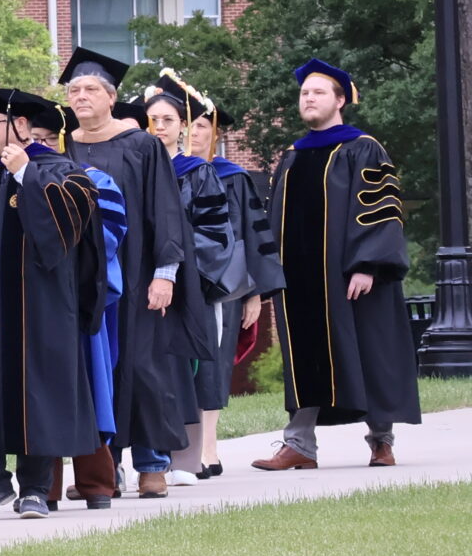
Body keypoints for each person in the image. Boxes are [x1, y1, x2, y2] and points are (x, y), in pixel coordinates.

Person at [0, 91, 110, 518]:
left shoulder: (63, 173)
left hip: (39, 307)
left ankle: (35, 488)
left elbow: (65, 238)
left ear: (19, 127)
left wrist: (25, 175)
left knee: (37, 391)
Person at [253, 60, 415, 470]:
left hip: (351, 275)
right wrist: (271, 271)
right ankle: (299, 446)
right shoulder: (292, 156)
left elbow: (379, 210)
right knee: (305, 353)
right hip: (302, 278)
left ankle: (381, 440)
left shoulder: (363, 148)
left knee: (367, 349)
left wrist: (368, 264)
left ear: (341, 100)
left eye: (318, 92)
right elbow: (274, 219)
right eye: (304, 93)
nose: (308, 98)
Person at [59, 46, 191, 501]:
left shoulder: (142, 145)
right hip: (81, 285)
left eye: (90, 89)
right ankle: (103, 469)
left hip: (135, 278)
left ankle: (153, 464)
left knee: (143, 366)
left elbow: (165, 211)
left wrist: (165, 273)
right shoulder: (63, 145)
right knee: (96, 371)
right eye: (74, 90)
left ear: (111, 96)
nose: (80, 97)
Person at [140, 72, 248, 481]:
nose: (159, 127)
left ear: (182, 124)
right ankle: (152, 458)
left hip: (189, 290)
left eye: (167, 119)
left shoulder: (197, 173)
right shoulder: (137, 169)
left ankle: (186, 458)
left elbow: (215, 234)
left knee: (189, 370)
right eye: (152, 120)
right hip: (143, 288)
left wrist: (181, 278)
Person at [195, 106, 283, 477]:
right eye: (191, 125)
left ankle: (208, 446)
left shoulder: (233, 177)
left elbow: (252, 235)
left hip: (224, 286)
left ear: (215, 134)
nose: (195, 133)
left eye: (202, 126)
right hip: (177, 284)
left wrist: (253, 294)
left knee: (213, 364)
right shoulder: (162, 173)